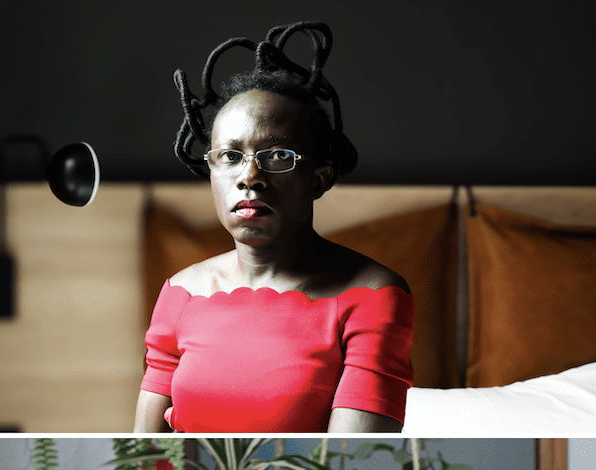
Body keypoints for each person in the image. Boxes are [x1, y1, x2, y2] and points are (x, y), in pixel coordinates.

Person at [135, 22, 413, 434]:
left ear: (318, 179)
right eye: (230, 156)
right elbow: (149, 456)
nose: (250, 176)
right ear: (210, 170)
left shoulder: (373, 295)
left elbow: (348, 464)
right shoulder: (180, 293)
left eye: (277, 155)